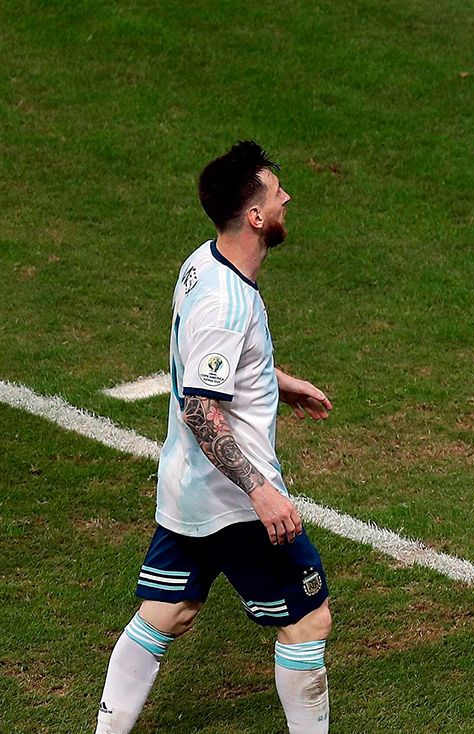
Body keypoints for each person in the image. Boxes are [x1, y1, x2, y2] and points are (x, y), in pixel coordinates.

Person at [95, 141, 336, 731]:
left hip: (189, 490)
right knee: (308, 621)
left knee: (168, 612)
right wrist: (260, 490)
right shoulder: (226, 300)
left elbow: (208, 362)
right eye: (277, 194)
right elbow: (204, 409)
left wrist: (275, 380)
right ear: (255, 217)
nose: (286, 199)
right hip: (234, 500)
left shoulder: (202, 261)